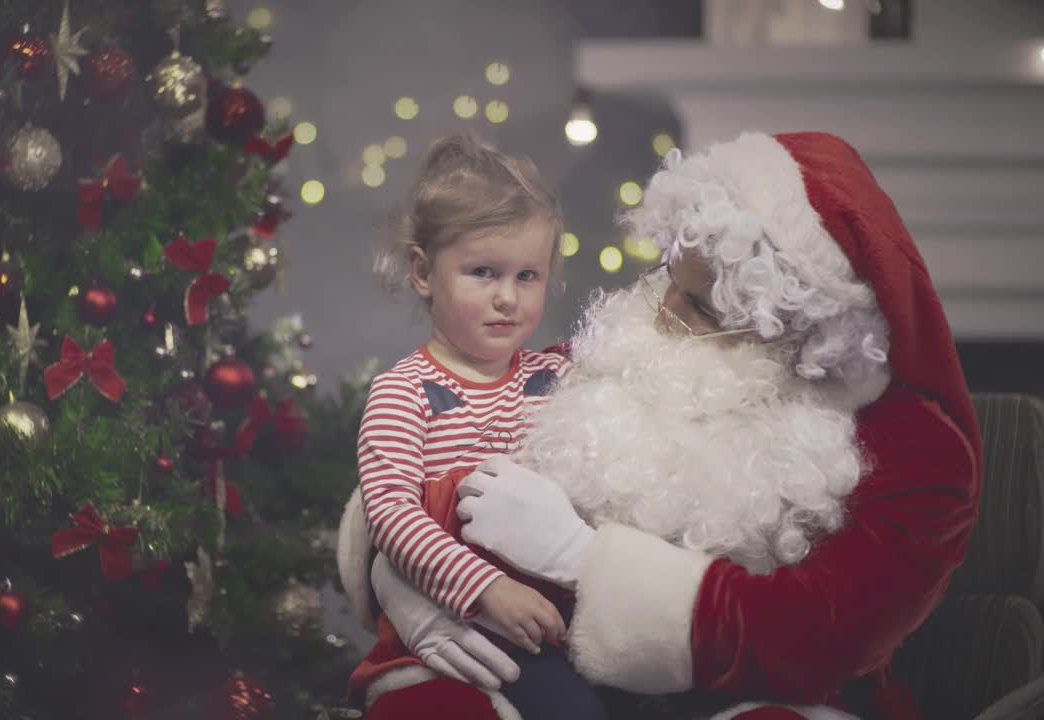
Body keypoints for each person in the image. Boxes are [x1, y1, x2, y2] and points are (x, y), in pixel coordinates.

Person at [337, 131, 982, 720]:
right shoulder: (623, 352)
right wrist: (411, 591)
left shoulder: (913, 454)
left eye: (698, 304)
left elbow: (816, 637)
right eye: (670, 275)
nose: (661, 311)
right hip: (553, 665)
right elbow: (412, 473)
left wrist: (579, 558)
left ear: (786, 338)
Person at [347, 132, 606, 720]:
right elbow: (391, 517)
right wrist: (486, 589)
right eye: (483, 272)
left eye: (527, 277)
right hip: (460, 628)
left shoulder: (560, 375)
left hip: (566, 624)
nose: (507, 299)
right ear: (422, 272)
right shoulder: (404, 392)